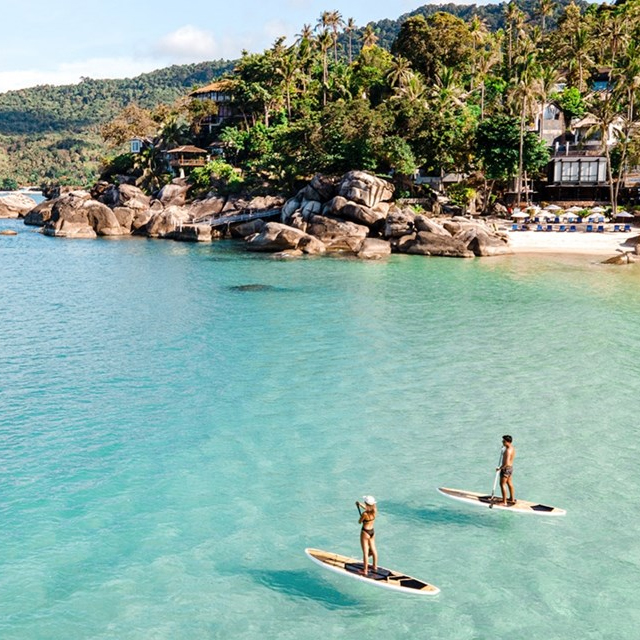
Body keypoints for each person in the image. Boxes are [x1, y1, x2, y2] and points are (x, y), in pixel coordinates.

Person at [355, 495, 378, 576]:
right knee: (374, 549)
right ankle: (374, 566)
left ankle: (365, 570)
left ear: (366, 503)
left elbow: (359, 522)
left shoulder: (364, 514)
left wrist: (361, 518)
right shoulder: (375, 510)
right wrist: (360, 505)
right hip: (372, 531)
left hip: (365, 532)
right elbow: (368, 509)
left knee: (365, 552)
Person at [496, 435, 516, 506]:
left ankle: (504, 502)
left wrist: (500, 468)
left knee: (502, 484)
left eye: (504, 441)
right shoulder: (512, 448)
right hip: (510, 468)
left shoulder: (508, 451)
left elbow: (506, 463)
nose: (502, 442)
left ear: (508, 442)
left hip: (506, 469)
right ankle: (512, 499)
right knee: (509, 483)